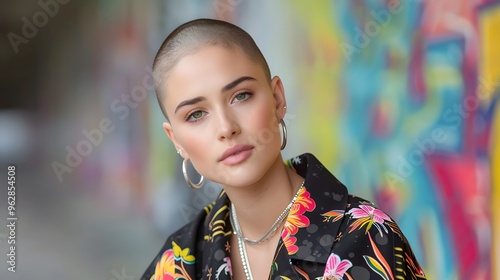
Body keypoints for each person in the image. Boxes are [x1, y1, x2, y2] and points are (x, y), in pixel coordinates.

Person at [141, 18, 426, 280]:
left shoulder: (368, 237)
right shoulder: (178, 262)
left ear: (277, 99)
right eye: (196, 114)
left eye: (241, 96)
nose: (226, 127)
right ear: (177, 140)